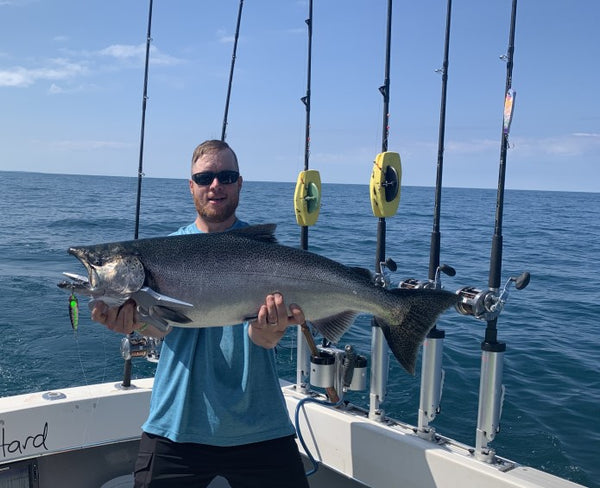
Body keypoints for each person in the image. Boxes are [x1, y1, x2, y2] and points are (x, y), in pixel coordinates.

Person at [91, 140, 310, 488]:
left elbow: (262, 338)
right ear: (191, 185)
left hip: (261, 423)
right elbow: (160, 328)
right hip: (176, 424)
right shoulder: (165, 251)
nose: (215, 185)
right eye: (205, 177)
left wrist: (269, 332)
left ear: (240, 183)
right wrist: (133, 323)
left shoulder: (264, 251)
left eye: (226, 176)